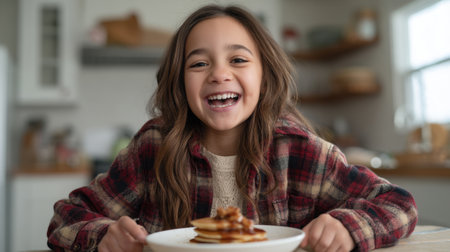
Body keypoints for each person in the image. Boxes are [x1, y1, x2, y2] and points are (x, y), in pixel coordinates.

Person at [47, 5, 418, 252]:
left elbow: (398, 204)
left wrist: (348, 226)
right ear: (180, 83)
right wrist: (102, 237)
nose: (219, 74)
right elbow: (67, 216)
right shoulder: (153, 148)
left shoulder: (301, 151)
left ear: (265, 75)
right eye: (198, 64)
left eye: (238, 59)